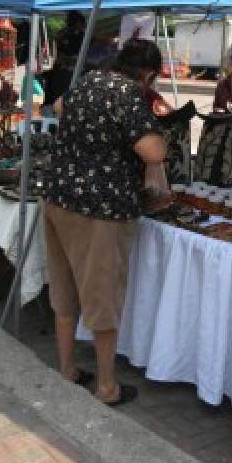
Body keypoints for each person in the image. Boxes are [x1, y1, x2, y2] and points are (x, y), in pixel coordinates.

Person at [43, 38, 167, 407]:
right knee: (102, 298)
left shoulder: (88, 81)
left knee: (64, 290)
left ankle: (67, 368)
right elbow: (153, 152)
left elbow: (60, 107)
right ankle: (108, 387)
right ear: (146, 74)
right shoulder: (128, 95)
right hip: (99, 210)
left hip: (58, 197)